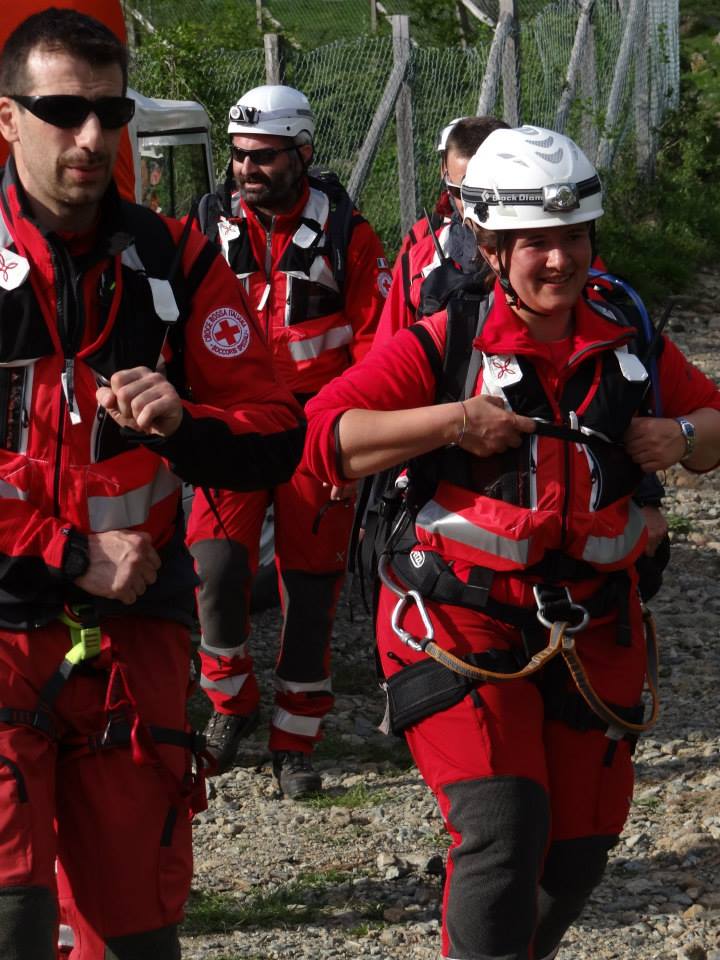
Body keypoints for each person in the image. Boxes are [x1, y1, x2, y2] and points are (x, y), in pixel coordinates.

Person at [304, 125, 720, 960]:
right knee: (502, 828)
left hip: (594, 630)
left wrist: (680, 435)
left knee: (578, 851)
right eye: (534, 243)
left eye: (572, 239)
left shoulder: (627, 337)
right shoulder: (444, 340)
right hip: (457, 619)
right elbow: (326, 437)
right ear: (491, 248)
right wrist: (454, 421)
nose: (557, 261)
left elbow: (713, 424)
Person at [0, 9, 304, 960]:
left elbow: (274, 432)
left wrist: (187, 423)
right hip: (5, 625)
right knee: (10, 924)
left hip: (137, 639)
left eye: (109, 112)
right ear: (7, 119)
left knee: (136, 932)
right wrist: (70, 553)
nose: (90, 137)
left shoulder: (172, 255)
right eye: (61, 111)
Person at [187, 83, 391, 796]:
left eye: (266, 157)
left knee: (310, 589)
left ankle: (295, 739)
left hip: (317, 427)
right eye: (241, 155)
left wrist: (346, 433)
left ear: (302, 153)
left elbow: (376, 344)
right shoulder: (207, 224)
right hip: (232, 425)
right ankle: (229, 704)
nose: (248, 169)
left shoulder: (348, 234)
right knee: (215, 571)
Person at [373, 115, 509, 347]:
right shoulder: (421, 258)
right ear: (445, 174)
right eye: (460, 192)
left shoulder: (553, 249)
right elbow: (386, 356)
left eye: (484, 192)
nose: (471, 205)